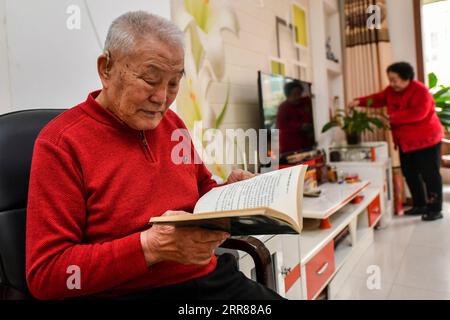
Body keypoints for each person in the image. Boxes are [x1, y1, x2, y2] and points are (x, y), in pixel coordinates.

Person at [26, 11, 283, 300]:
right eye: (150, 79)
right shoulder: (61, 144)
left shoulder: (172, 126)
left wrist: (232, 194)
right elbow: (47, 275)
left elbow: (201, 197)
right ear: (105, 69)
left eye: (174, 83)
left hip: (210, 281)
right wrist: (149, 247)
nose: (162, 98)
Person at [348, 62, 444, 221]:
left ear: (407, 78)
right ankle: (419, 205)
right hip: (405, 142)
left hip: (427, 140)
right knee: (410, 173)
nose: (392, 84)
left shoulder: (421, 91)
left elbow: (419, 113)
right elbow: (378, 98)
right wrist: (359, 101)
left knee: (430, 175)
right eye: (390, 80)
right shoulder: (391, 91)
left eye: (395, 80)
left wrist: (391, 118)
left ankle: (435, 209)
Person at [276, 80, 315, 155]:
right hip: (290, 145)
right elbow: (281, 125)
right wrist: (300, 126)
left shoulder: (304, 102)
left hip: (305, 143)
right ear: (287, 95)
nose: (298, 97)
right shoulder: (283, 107)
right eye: (294, 94)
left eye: (299, 94)